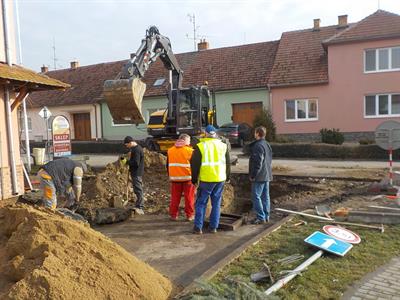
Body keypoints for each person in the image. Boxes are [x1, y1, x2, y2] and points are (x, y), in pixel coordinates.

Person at [191, 125, 230, 234]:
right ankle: (213, 227)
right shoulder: (223, 146)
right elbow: (227, 163)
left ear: (205, 133)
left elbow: (194, 165)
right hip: (220, 179)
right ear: (215, 133)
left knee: (201, 203)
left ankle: (198, 227)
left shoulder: (200, 146)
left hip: (206, 179)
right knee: (216, 203)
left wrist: (194, 180)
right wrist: (228, 177)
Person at [167, 134, 195, 221]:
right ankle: (189, 215)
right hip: (188, 179)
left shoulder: (170, 150)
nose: (190, 143)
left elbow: (167, 165)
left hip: (175, 178)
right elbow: (194, 165)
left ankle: (173, 215)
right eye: (189, 141)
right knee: (189, 198)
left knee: (175, 198)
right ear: (185, 140)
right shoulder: (190, 151)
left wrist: (170, 175)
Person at [249, 126, 273, 224]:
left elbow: (258, 162)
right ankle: (266, 216)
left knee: (256, 196)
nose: (254, 134)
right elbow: (269, 159)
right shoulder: (267, 144)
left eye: (255, 132)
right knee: (265, 196)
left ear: (258, 134)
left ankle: (261, 217)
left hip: (259, 176)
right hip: (267, 174)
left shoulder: (258, 146)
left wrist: (253, 175)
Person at [124, 136, 145, 215]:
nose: (127, 147)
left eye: (127, 145)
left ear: (130, 143)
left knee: (138, 189)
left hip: (136, 173)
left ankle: (140, 206)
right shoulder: (136, 149)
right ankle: (139, 205)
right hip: (136, 172)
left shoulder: (136, 150)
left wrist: (126, 162)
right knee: (138, 189)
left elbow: (136, 163)